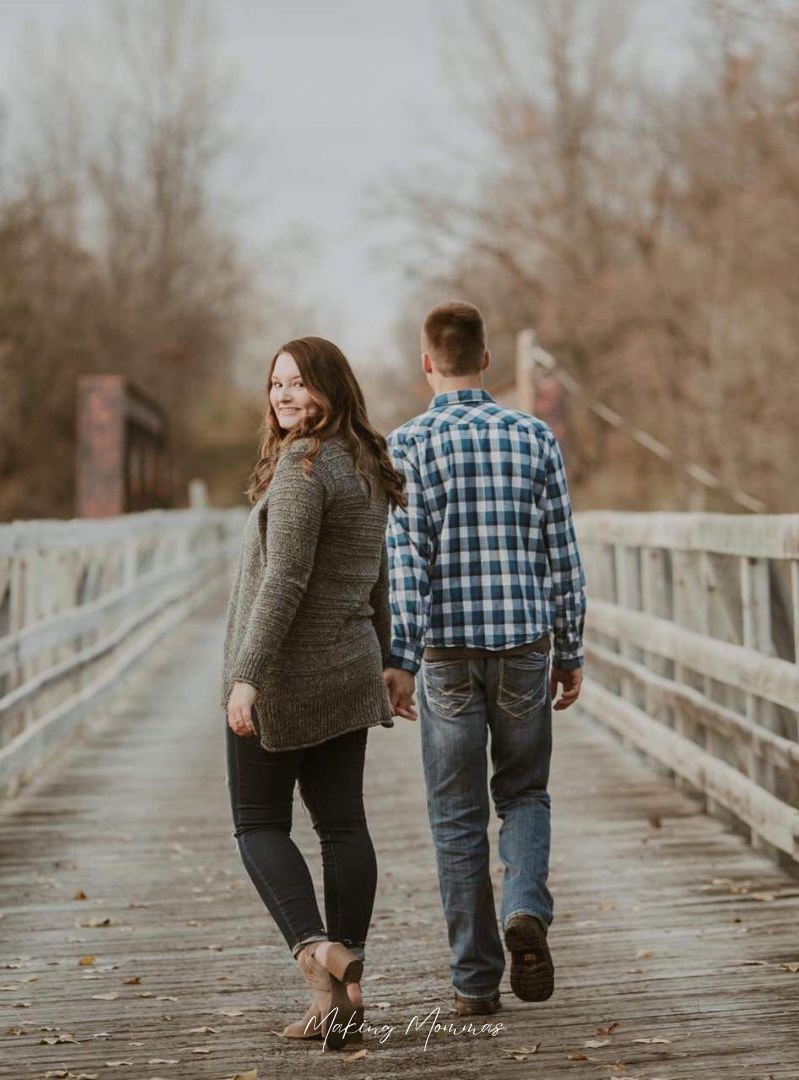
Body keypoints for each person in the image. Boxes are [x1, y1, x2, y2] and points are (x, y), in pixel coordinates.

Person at [383, 301, 587, 1016]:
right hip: (526, 644)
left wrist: (400, 658)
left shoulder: (404, 445)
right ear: (487, 360)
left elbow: (406, 566)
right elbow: (562, 553)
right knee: (525, 793)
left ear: (426, 362)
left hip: (445, 654)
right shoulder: (534, 436)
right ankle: (525, 906)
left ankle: (475, 979)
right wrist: (572, 647)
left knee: (456, 814)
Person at [220, 336, 405, 1050]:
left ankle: (318, 956)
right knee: (342, 825)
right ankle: (346, 999)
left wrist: (247, 674)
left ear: (330, 385)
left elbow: (285, 581)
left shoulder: (302, 469)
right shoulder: (365, 464)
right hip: (350, 667)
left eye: (299, 382)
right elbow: (376, 576)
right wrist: (389, 658)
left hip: (291, 677)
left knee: (257, 824)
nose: (285, 395)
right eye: (276, 384)